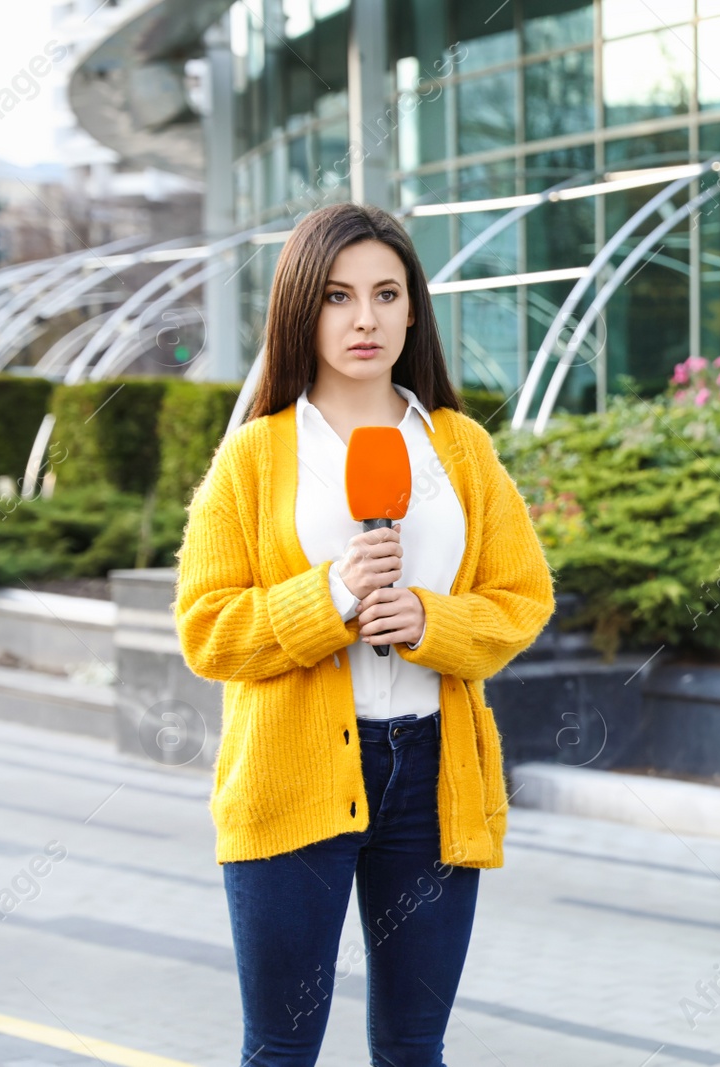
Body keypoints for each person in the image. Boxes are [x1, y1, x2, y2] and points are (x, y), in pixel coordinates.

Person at [173, 202, 556, 1066]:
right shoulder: (254, 456)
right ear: (302, 308)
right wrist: (329, 596)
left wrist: (434, 619)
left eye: (387, 294)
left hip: (432, 777)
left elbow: (521, 598)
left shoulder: (459, 448)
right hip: (290, 775)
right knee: (280, 1049)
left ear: (414, 309)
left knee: (415, 1049)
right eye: (339, 296)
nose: (365, 318)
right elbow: (207, 630)